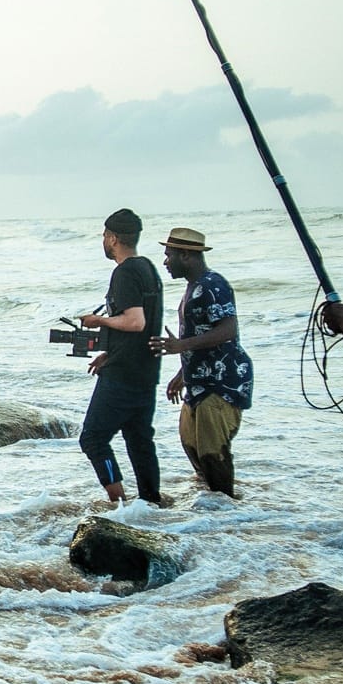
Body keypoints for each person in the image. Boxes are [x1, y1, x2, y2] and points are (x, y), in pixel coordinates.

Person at [149, 228, 253, 499]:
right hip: (198, 383)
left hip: (220, 384)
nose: (165, 262)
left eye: (169, 255)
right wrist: (183, 372)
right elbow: (203, 335)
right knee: (192, 446)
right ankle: (213, 512)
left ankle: (228, 511)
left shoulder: (212, 284)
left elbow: (228, 329)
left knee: (212, 452)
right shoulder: (194, 288)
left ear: (186, 255)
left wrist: (180, 347)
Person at [77, 208, 164, 506]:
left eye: (104, 236)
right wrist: (108, 352)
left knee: (92, 439)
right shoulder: (148, 269)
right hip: (145, 372)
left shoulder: (124, 273)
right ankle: (151, 504)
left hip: (123, 376)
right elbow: (142, 328)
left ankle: (119, 502)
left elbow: (135, 322)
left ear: (113, 238)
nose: (103, 241)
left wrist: (99, 321)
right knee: (140, 443)